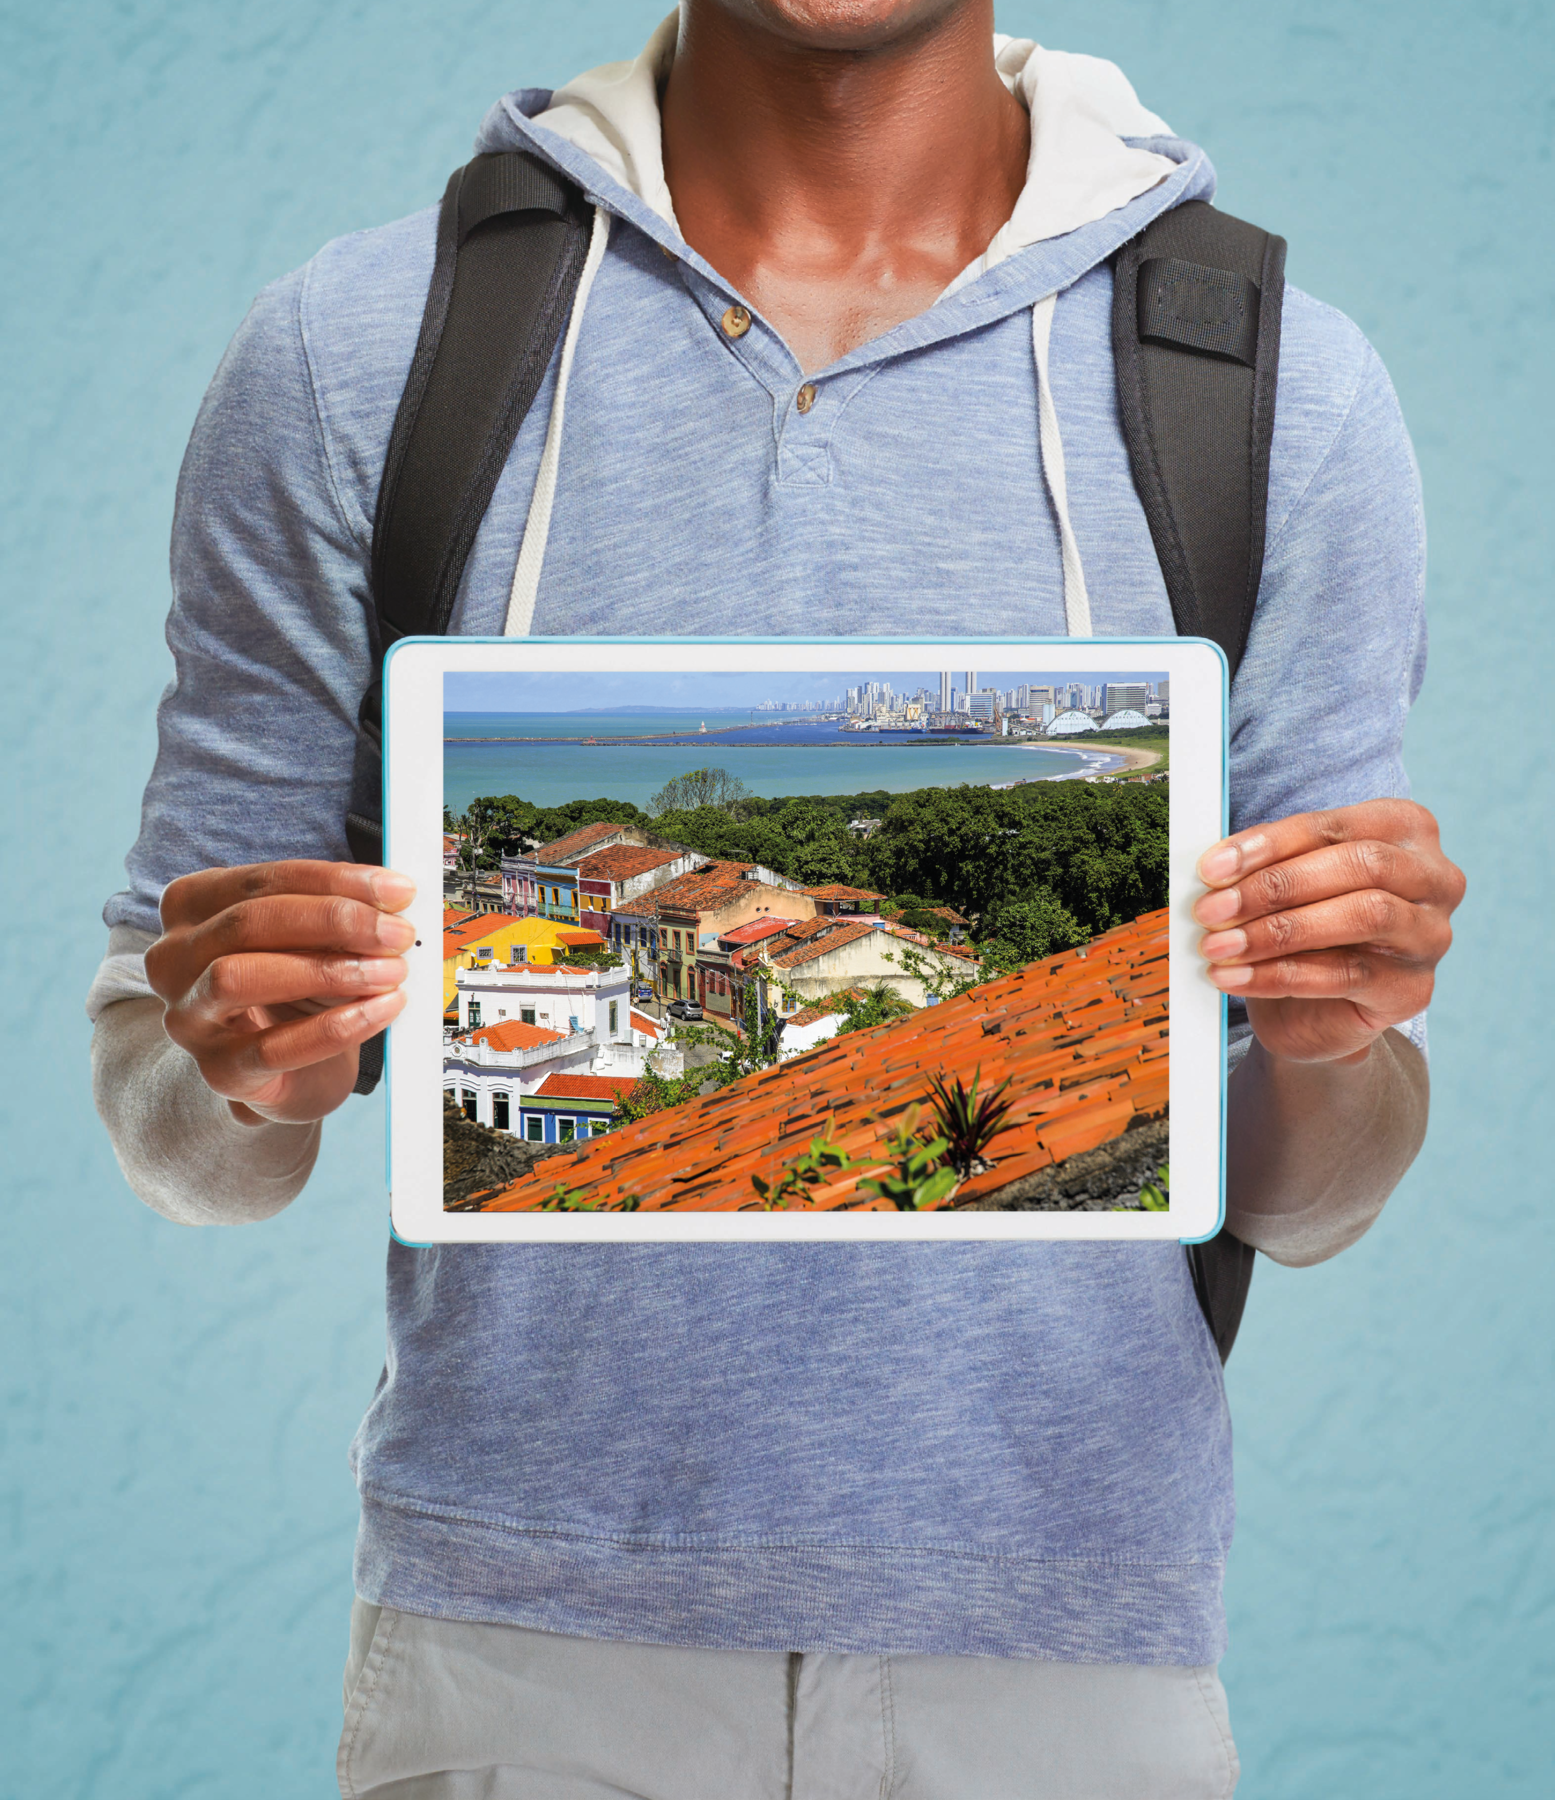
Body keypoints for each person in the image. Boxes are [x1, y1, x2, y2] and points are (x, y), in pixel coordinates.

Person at [88, 3, 1464, 1794]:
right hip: (521, 1648)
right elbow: (170, 1112)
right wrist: (237, 1069)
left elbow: (1310, 1196)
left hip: (1068, 1655)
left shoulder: (1274, 387)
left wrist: (1329, 1038)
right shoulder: (362, 355)